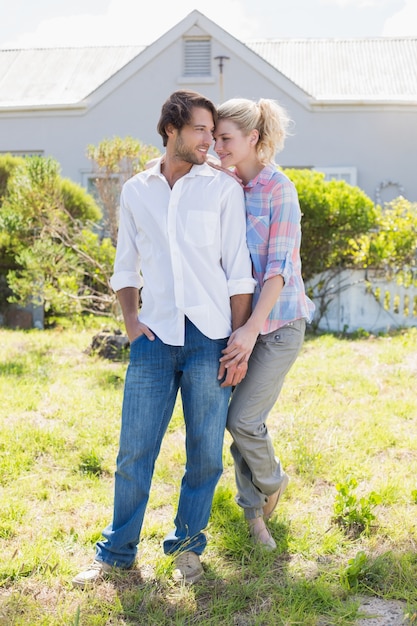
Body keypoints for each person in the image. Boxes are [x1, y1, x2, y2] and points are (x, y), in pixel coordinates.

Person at [72, 90, 256, 587]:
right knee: (134, 450)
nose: (209, 141)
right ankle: (116, 554)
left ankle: (188, 548)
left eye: (213, 131)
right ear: (171, 130)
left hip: (209, 338)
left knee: (204, 453)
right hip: (154, 337)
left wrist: (239, 340)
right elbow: (126, 265)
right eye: (200, 130)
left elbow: (238, 272)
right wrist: (132, 323)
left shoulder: (221, 189)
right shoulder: (136, 190)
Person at [212, 97, 315, 550]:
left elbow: (277, 270)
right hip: (239, 323)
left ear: (254, 138)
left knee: (244, 419)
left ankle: (272, 482)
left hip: (278, 326)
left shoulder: (280, 190)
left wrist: (251, 329)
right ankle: (255, 520)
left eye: (225, 138)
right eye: (214, 137)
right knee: (237, 425)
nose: (217, 146)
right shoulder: (227, 184)